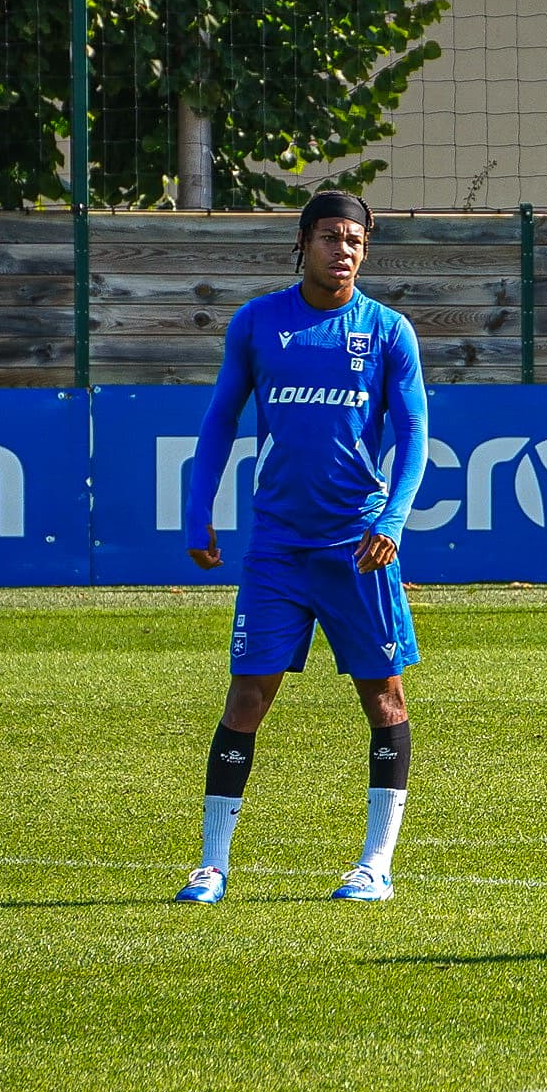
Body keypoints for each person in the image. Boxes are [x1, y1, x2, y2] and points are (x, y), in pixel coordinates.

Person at [174, 191, 428, 905]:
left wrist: (393, 522)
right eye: (328, 237)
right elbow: (221, 421)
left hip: (359, 546)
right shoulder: (258, 324)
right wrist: (200, 514)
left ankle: (376, 864)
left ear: (365, 250)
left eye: (354, 240)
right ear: (302, 242)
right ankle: (212, 865)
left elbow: (413, 436)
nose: (341, 250)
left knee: (384, 698)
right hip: (278, 549)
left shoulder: (387, 331)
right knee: (248, 696)